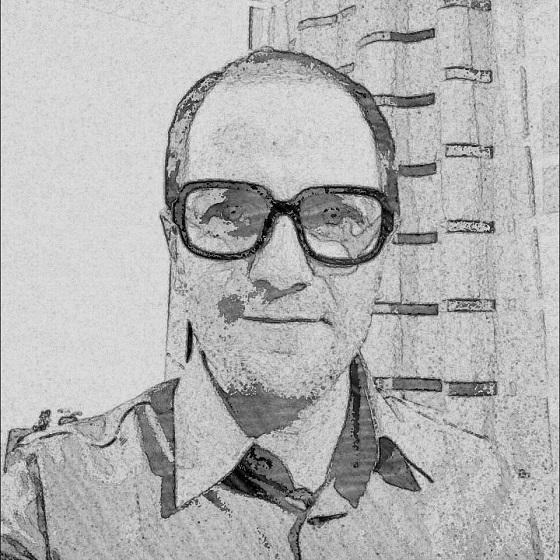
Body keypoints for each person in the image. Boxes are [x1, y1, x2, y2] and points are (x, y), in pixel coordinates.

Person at [1, 49, 533, 560]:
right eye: (230, 212)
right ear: (175, 249)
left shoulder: (482, 493)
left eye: (335, 216)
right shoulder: (49, 498)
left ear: (384, 253)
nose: (281, 271)